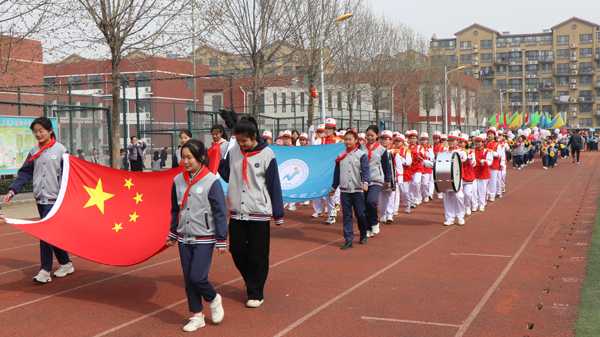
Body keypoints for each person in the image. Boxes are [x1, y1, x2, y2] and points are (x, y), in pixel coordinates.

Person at [218, 116, 284, 308]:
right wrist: (220, 155)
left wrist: (278, 213)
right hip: (238, 211)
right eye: (238, 141)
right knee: (236, 250)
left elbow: (273, 184)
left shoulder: (267, 154)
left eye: (244, 141)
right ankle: (251, 281)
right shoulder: (234, 152)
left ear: (254, 136)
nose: (242, 144)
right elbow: (226, 173)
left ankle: (256, 292)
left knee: (258, 255)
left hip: (259, 212)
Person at [2, 117, 74, 284]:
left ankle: (45, 270)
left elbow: (68, 176)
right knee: (51, 234)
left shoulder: (61, 150)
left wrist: (67, 198)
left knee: (45, 233)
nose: (38, 134)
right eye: (35, 131)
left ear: (50, 131)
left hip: (55, 200)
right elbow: (25, 173)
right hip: (40, 199)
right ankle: (65, 263)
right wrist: (13, 190)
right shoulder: (34, 151)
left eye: (41, 130)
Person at [167, 139, 227, 332]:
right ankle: (197, 315)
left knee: (197, 277)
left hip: (205, 237)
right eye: (183, 157)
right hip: (184, 237)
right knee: (188, 279)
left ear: (201, 158)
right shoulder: (177, 180)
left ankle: (213, 298)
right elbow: (175, 209)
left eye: (189, 157)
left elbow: (219, 211)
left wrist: (221, 238)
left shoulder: (212, 181)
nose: (185, 161)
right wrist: (173, 232)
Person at [331, 130, 369, 249]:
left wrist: (365, 182)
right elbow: (337, 173)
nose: (347, 142)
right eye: (345, 139)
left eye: (350, 139)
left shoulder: (361, 155)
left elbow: (365, 170)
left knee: (360, 214)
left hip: (357, 189)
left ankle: (363, 234)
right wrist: (334, 186)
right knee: (346, 215)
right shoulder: (341, 156)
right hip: (345, 190)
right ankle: (348, 239)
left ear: (356, 140)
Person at [363, 125, 391, 238]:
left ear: (377, 136)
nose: (369, 137)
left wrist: (388, 180)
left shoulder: (382, 150)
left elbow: (386, 166)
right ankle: (368, 228)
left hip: (376, 179)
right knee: (364, 205)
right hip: (364, 180)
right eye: (368, 135)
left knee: (371, 201)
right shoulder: (361, 148)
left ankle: (375, 223)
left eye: (372, 135)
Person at [441, 132, 466, 226]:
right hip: (446, 177)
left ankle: (460, 216)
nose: (451, 142)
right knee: (447, 198)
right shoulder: (444, 151)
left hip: (457, 177)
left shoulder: (461, 151)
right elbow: (439, 162)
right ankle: (449, 218)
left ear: (457, 141)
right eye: (449, 140)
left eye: (453, 140)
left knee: (459, 196)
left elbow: (463, 158)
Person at [473, 134, 493, 212]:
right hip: (474, 172)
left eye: (479, 141)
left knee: (482, 190)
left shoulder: (487, 151)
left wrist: (484, 161)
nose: (477, 143)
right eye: (476, 141)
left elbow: (489, 162)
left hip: (483, 173)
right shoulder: (472, 151)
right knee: (474, 190)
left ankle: (482, 204)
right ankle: (475, 204)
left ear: (483, 142)